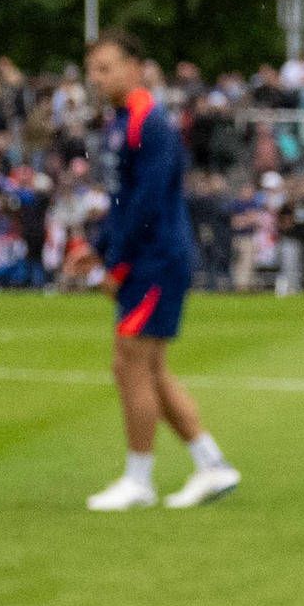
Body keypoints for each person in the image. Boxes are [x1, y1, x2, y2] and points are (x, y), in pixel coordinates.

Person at [80, 34, 241, 511]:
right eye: (93, 69)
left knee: (130, 360)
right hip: (149, 257)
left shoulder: (149, 124)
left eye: (106, 68)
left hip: (157, 260)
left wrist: (117, 264)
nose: (96, 78)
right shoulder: (124, 122)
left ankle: (139, 479)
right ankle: (211, 465)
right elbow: (122, 199)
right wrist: (96, 248)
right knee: (146, 366)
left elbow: (146, 205)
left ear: (134, 68)